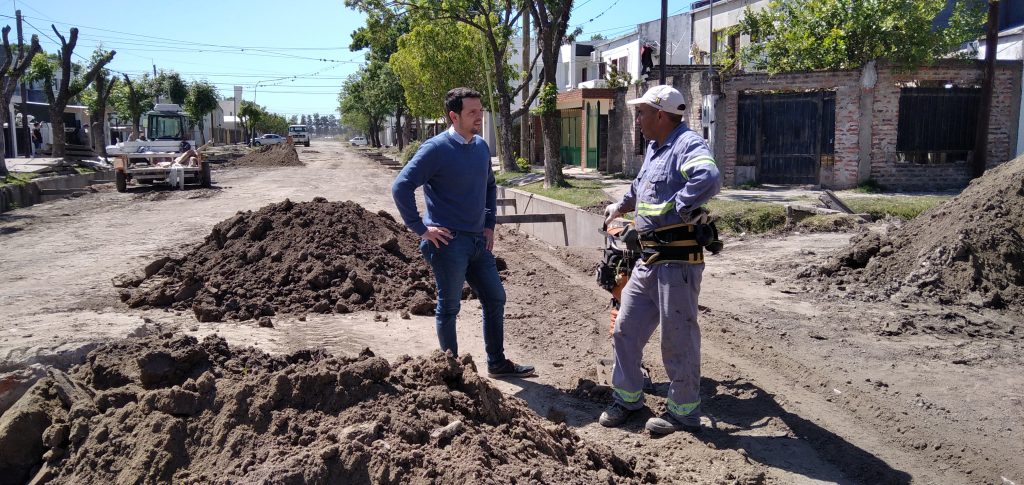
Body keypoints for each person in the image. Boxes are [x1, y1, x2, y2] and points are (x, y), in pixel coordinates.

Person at [599, 85, 721, 435]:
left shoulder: (687, 144)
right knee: (625, 329)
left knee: (678, 339)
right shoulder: (655, 148)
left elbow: (709, 177)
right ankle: (627, 398)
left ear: (662, 115)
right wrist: (619, 207)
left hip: (677, 263)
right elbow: (640, 189)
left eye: (641, 113)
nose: (637, 120)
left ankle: (683, 412)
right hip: (648, 260)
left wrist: (679, 206)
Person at [392, 87, 535, 379]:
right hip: (448, 243)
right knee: (449, 307)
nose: (479, 116)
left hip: (478, 241)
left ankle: (496, 363)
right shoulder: (435, 149)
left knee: (495, 298)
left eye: (480, 111)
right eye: (472, 112)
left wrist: (489, 224)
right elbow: (401, 186)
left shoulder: (480, 146)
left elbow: (490, 186)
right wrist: (421, 229)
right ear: (454, 116)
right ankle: (453, 372)